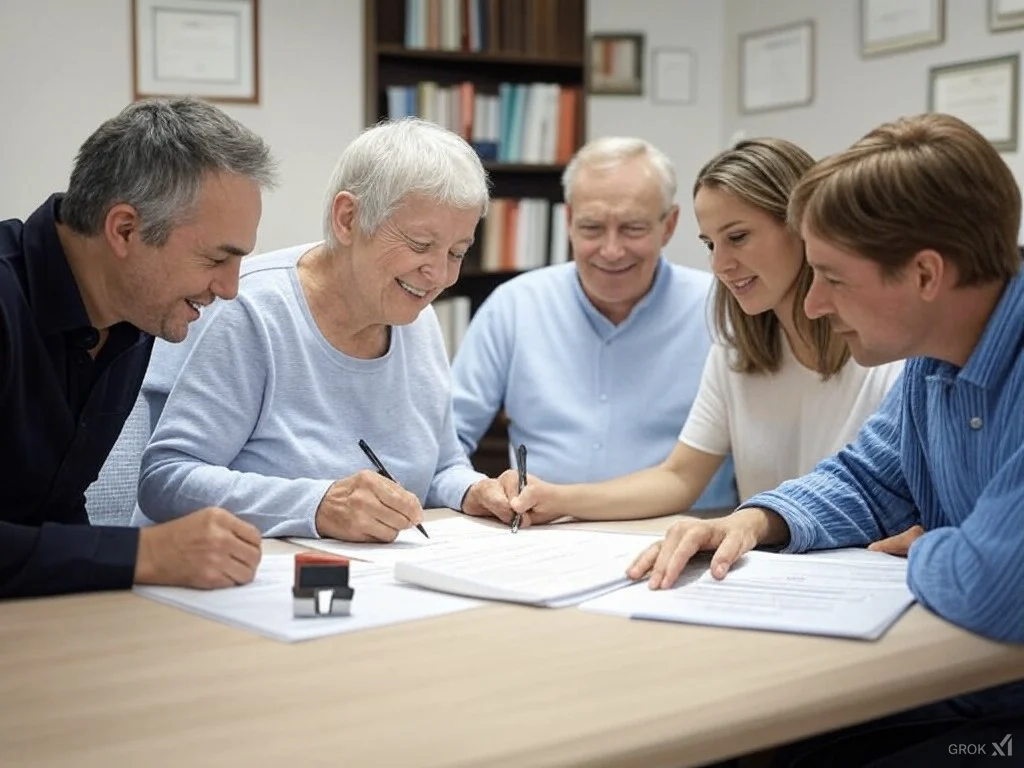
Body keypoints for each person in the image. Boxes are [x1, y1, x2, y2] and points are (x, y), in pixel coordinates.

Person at [630, 113, 1024, 764]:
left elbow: (997, 589)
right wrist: (752, 521)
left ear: (925, 275)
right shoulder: (932, 362)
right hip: (955, 686)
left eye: (834, 278)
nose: (812, 305)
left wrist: (939, 545)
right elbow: (867, 479)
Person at [132, 118, 513, 540]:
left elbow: (442, 466)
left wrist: (474, 490)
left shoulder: (416, 316)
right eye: (420, 245)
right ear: (348, 218)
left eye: (458, 252)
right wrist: (318, 506)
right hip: (236, 579)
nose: (440, 274)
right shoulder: (250, 311)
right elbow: (165, 481)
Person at [505, 139, 903, 526]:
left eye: (737, 238)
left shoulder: (888, 355)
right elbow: (679, 477)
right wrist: (556, 499)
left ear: (802, 225)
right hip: (766, 569)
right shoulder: (733, 354)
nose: (720, 264)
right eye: (711, 244)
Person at [0, 97, 276, 599]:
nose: (231, 288)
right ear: (125, 230)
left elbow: (51, 511)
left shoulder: (134, 312)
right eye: (217, 258)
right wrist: (145, 554)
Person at [450, 137, 737, 515]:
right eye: (592, 228)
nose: (612, 250)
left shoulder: (724, 310)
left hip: (686, 535)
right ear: (568, 221)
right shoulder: (514, 306)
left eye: (633, 228)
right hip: (547, 537)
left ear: (669, 225)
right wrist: (474, 490)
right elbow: (447, 437)